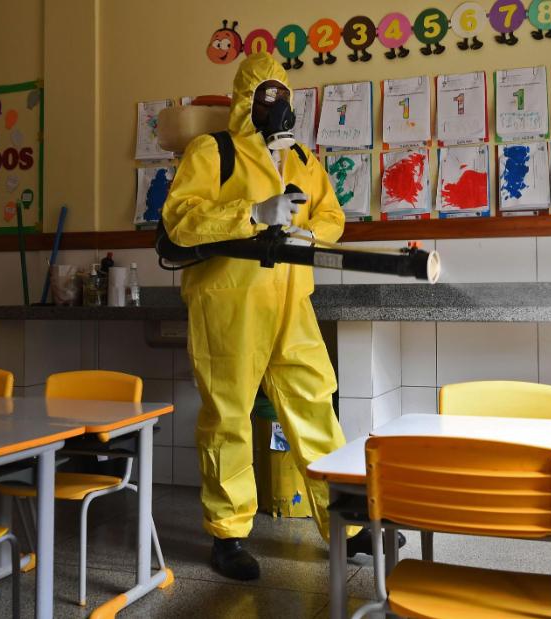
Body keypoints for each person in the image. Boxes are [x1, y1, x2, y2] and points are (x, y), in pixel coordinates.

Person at [162, 53, 396, 580]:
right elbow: (180, 220)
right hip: (229, 303)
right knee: (228, 417)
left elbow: (331, 213)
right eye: (265, 95)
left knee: (315, 406)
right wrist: (252, 213)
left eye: (283, 95)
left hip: (292, 301)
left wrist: (312, 233)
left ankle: (349, 525)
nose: (276, 105)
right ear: (247, 100)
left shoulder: (303, 161)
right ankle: (228, 535)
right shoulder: (213, 151)